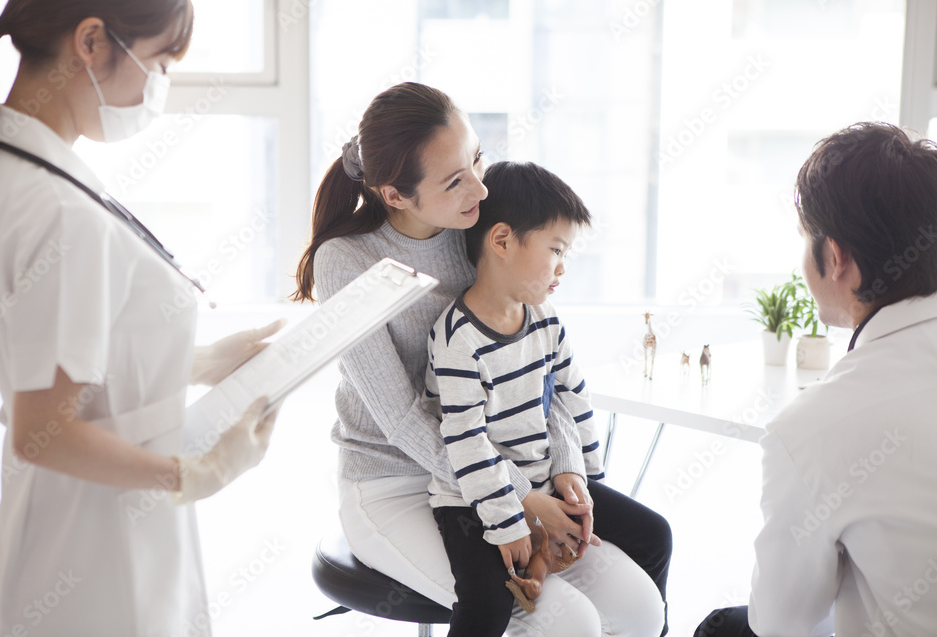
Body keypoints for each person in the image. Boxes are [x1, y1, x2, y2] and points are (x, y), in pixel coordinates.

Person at [0, 0, 283, 634]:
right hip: (93, 562)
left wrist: (203, 360)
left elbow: (74, 364)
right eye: (158, 62)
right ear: (91, 41)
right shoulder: (57, 208)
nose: (158, 88)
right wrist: (196, 471)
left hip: (85, 542)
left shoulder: (26, 166)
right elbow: (47, 427)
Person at [294, 81, 672, 636]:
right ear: (396, 195)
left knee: (639, 609)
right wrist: (522, 494)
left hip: (501, 465)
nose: (478, 185)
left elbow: (541, 366)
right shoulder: (347, 262)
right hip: (396, 483)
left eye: (476, 157)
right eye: (453, 180)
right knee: (563, 621)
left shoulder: (474, 226)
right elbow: (400, 417)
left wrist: (560, 468)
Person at [694, 122, 937, 637]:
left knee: (722, 628)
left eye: (806, 240)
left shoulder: (813, 428)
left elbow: (783, 622)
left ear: (837, 258)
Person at [425, 160, 665, 636]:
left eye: (567, 253)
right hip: (472, 499)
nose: (562, 267)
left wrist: (576, 471)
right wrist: (509, 521)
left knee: (654, 534)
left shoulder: (546, 320)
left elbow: (571, 398)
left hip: (545, 480)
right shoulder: (458, 339)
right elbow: (466, 442)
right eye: (556, 249)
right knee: (486, 600)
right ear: (501, 241)